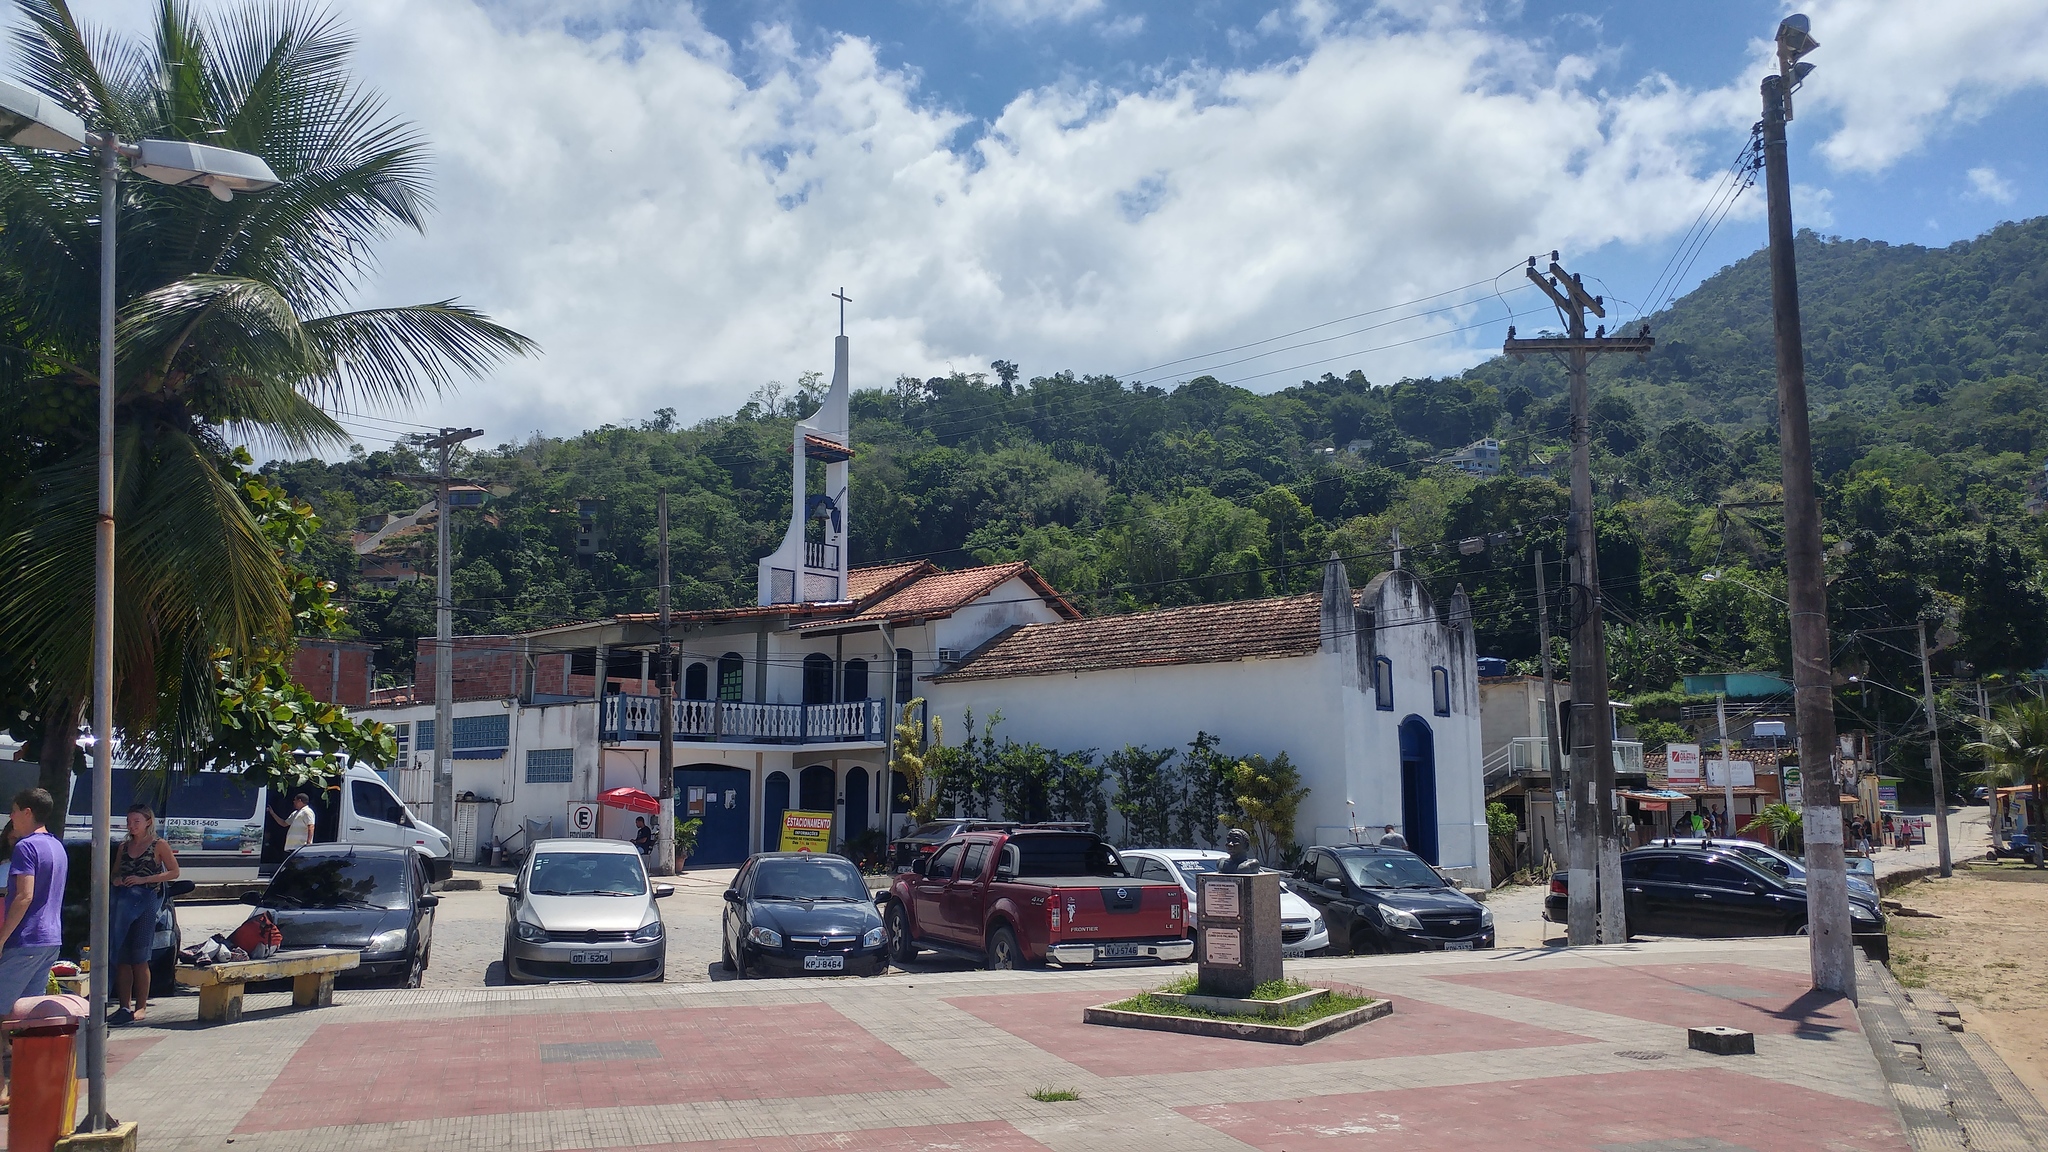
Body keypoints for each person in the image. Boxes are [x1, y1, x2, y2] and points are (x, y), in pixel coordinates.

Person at [0, 789, 68, 1109]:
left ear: (27, 812)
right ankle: (26, 1085)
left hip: (24, 940)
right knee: (25, 1018)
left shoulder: (26, 847)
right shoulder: (56, 846)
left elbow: (23, 896)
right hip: (50, 939)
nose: (11, 817)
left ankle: (2, 1088)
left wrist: (1, 938)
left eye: (14, 811)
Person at [109, 804, 179, 1026]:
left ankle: (141, 1006)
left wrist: (144, 880)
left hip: (146, 903)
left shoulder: (159, 845)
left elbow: (174, 872)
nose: (131, 826)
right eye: (129, 822)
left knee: (140, 957)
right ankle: (123, 1006)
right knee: (121, 957)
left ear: (148, 822)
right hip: (124, 902)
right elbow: (114, 873)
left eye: (136, 822)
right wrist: (118, 880)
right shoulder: (123, 846)